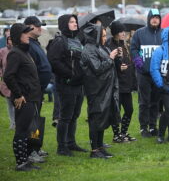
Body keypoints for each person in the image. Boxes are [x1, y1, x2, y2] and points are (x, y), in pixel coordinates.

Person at [47, 14, 87, 156]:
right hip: (66, 84)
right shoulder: (59, 41)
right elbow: (54, 62)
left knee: (75, 115)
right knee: (65, 116)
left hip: (79, 84)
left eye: (75, 21)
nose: (75, 24)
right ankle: (62, 147)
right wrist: (71, 74)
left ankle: (71, 143)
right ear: (64, 24)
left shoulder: (76, 40)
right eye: (71, 22)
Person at [3, 23, 41, 171]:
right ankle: (21, 163)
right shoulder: (15, 53)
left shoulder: (25, 52)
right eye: (25, 33)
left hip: (32, 97)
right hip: (24, 99)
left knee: (29, 131)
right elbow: (8, 76)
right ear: (18, 36)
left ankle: (26, 159)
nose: (28, 36)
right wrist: (18, 94)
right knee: (22, 130)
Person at [81, 23, 119, 159]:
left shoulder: (99, 48)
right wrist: (110, 58)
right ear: (95, 36)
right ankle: (94, 150)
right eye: (102, 36)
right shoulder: (88, 49)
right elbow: (97, 68)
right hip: (96, 91)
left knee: (102, 119)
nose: (105, 38)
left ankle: (100, 147)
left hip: (105, 90)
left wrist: (114, 58)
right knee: (96, 120)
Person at [130, 9, 162, 137]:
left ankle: (153, 126)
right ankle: (143, 128)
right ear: (149, 19)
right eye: (153, 17)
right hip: (143, 74)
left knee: (155, 101)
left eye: (157, 17)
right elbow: (133, 49)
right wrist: (139, 64)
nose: (155, 20)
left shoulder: (163, 34)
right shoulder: (139, 33)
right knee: (144, 101)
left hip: (158, 74)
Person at [24, 16, 52, 161]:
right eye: (37, 25)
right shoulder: (27, 44)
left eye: (40, 25)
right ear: (28, 27)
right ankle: (31, 152)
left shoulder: (35, 43)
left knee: (36, 121)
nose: (40, 27)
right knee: (31, 123)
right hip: (32, 91)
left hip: (39, 90)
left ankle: (36, 147)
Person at [106, 21, 136, 142]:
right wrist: (119, 67)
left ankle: (123, 133)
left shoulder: (125, 44)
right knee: (116, 111)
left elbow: (128, 62)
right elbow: (108, 62)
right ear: (115, 33)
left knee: (129, 110)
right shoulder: (110, 45)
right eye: (120, 31)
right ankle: (116, 135)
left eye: (124, 31)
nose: (123, 33)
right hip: (116, 84)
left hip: (126, 83)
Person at [0, 35, 15, 129]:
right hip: (6, 81)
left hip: (17, 81)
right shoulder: (2, 51)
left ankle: (18, 122)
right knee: (9, 103)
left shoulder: (19, 50)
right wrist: (1, 74)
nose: (10, 41)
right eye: (9, 39)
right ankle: (12, 122)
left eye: (12, 39)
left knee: (18, 103)